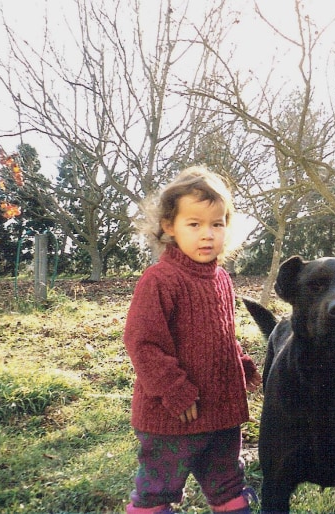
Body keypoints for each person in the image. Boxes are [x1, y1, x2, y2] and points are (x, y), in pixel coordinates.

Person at [124, 166, 262, 514]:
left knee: (229, 483)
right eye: (194, 224)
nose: (207, 234)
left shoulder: (221, 279)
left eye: (217, 224)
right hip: (172, 417)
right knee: (158, 488)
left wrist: (239, 361)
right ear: (169, 226)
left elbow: (219, 333)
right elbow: (143, 343)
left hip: (220, 414)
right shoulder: (161, 279)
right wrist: (173, 389)